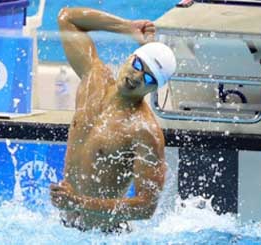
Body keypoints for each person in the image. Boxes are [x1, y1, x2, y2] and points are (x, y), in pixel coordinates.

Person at [50, 7, 176, 233]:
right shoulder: (94, 78)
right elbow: (67, 17)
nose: (136, 77)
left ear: (154, 88)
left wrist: (78, 202)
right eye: (137, 65)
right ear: (130, 57)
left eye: (148, 77)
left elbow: (146, 207)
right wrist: (128, 28)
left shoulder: (144, 131)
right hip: (65, 227)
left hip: (105, 236)